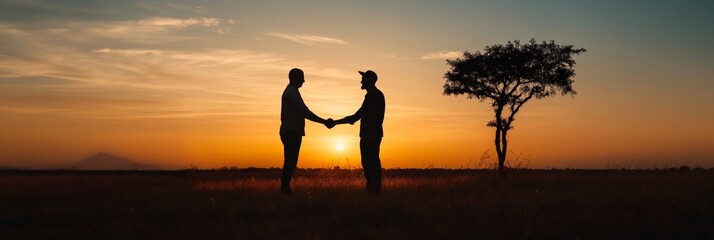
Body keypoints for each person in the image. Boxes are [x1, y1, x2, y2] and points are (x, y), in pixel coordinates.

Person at [280, 68, 334, 194]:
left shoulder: (293, 91)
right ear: (294, 78)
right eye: (301, 77)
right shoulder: (291, 93)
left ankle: (285, 189)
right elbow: (305, 112)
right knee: (290, 161)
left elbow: (304, 111)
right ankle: (285, 190)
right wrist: (324, 122)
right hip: (291, 131)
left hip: (292, 131)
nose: (304, 81)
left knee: (291, 161)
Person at [332, 70, 385, 195]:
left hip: (370, 135)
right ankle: (373, 189)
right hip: (371, 134)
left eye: (364, 78)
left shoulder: (374, 95)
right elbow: (358, 116)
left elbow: (356, 116)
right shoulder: (373, 95)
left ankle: (373, 190)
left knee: (370, 162)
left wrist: (335, 122)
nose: (361, 81)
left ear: (370, 80)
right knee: (370, 162)